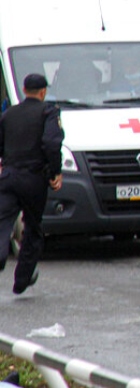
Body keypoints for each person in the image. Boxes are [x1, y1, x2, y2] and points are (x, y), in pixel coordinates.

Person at [0, 74, 64, 294]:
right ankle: (23, 278)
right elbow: (51, 143)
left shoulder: (8, 114)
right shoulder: (48, 112)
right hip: (34, 178)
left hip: (8, 175)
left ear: (24, 89)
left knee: (3, 220)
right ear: (43, 92)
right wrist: (55, 171)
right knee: (33, 227)